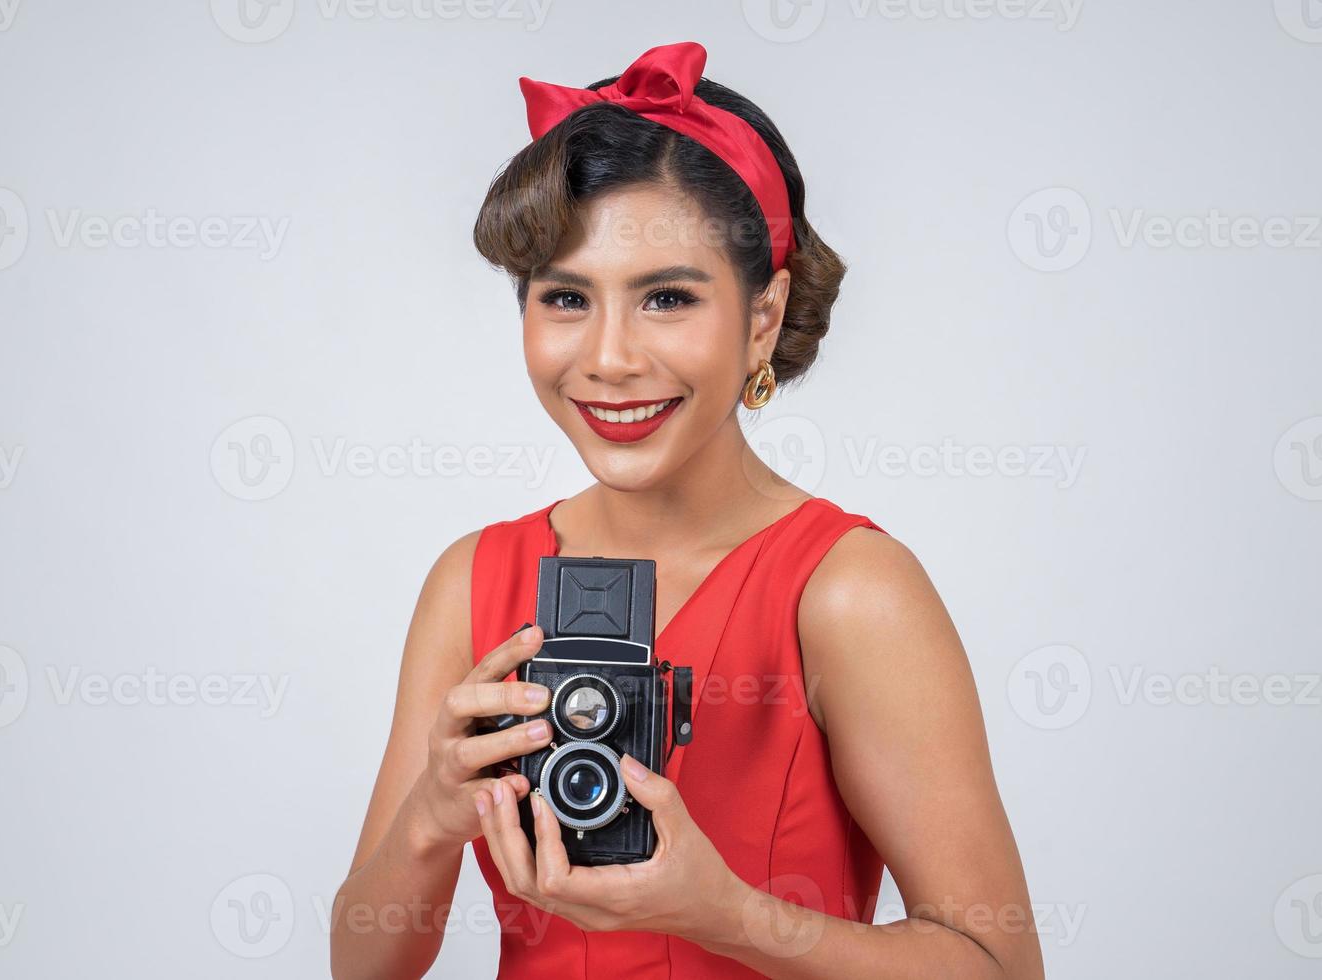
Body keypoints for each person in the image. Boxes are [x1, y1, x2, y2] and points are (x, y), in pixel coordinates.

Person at [331, 40, 1043, 979]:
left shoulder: (848, 591)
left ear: (762, 313)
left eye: (667, 297)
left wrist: (730, 917)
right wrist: (428, 817)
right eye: (566, 298)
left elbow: (998, 966)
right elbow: (362, 964)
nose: (611, 358)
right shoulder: (472, 581)